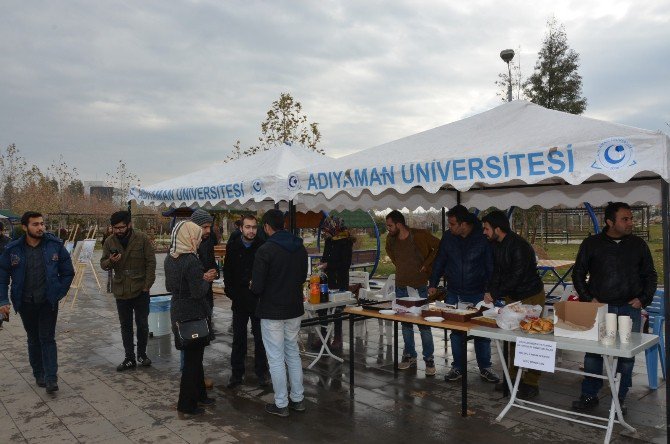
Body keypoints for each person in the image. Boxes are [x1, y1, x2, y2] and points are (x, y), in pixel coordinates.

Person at [571, 202, 657, 415]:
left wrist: (643, 299)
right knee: (593, 355)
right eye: (625, 219)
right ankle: (589, 394)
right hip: (600, 309)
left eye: (630, 218)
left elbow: (650, 275)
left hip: (630, 310)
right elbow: (578, 274)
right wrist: (588, 298)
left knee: (627, 358)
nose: (630, 222)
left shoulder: (638, 244)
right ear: (610, 222)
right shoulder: (592, 243)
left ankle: (620, 397)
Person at [0, 211, 75, 393]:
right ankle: (38, 374)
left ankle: (51, 378)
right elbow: (2, 277)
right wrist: (3, 300)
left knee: (47, 338)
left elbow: (68, 272)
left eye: (42, 224)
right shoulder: (13, 249)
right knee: (33, 339)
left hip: (47, 302)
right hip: (25, 302)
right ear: (25, 227)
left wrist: (58, 292)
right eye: (35, 224)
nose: (41, 227)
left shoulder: (55, 246)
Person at [429, 205, 500, 384]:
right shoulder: (448, 237)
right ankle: (458, 367)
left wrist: (491, 290)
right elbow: (440, 260)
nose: (449, 227)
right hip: (453, 291)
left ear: (464, 224)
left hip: (478, 293)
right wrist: (433, 283)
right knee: (456, 332)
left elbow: (490, 266)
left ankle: (485, 367)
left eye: (452, 224)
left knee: (481, 331)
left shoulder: (482, 237)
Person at [482, 210, 545, 399]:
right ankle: (511, 378)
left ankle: (531, 382)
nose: (484, 232)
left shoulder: (519, 246)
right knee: (510, 340)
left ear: (497, 229)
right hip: (513, 297)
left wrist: (496, 292)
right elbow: (497, 273)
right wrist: (490, 291)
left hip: (531, 296)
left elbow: (517, 276)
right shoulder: (495, 244)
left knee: (531, 339)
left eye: (486, 228)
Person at [251, 209, 308, 417]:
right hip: (294, 309)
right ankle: (298, 399)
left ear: (267, 227)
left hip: (272, 310)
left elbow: (257, 287)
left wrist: (254, 285)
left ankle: (281, 403)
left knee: (275, 358)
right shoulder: (299, 247)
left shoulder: (265, 250)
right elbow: (302, 276)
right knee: (292, 352)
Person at [164, 221, 215, 416]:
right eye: (198, 237)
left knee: (195, 358)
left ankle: (200, 395)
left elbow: (170, 287)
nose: (200, 240)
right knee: (193, 362)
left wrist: (198, 279)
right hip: (193, 313)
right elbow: (197, 292)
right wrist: (206, 280)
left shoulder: (170, 258)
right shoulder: (191, 261)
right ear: (190, 238)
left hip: (178, 310)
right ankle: (186, 404)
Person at [385, 210, 440, 375]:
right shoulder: (391, 239)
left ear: (399, 224)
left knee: (424, 323)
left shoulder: (419, 235)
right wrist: (402, 268)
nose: (388, 229)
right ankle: (409, 355)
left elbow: (439, 246)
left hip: (419, 286)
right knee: (405, 323)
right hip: (401, 286)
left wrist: (427, 263)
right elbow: (391, 254)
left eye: (390, 225)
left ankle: (429, 359)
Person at [101, 211, 157, 372]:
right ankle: (129, 358)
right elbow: (103, 264)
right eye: (115, 228)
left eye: (121, 227)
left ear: (129, 225)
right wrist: (110, 261)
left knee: (142, 324)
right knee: (125, 325)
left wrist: (147, 285)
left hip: (140, 288)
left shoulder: (141, 238)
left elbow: (151, 262)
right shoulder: (109, 241)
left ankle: (142, 354)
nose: (118, 231)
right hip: (121, 288)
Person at [224, 214, 269, 388]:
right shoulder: (233, 247)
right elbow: (227, 274)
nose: (251, 230)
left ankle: (261, 373)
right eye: (248, 227)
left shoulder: (262, 247)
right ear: (241, 228)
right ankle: (236, 374)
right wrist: (233, 294)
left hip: (258, 301)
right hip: (240, 301)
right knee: (239, 339)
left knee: (260, 339)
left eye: (254, 227)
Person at [316, 215, 354, 350]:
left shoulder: (346, 241)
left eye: (328, 228)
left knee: (337, 309)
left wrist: (328, 264)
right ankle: (323, 336)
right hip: (327, 279)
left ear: (335, 227)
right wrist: (322, 263)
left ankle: (338, 337)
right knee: (322, 307)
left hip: (340, 280)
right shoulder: (329, 240)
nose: (326, 231)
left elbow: (345, 263)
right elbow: (326, 257)